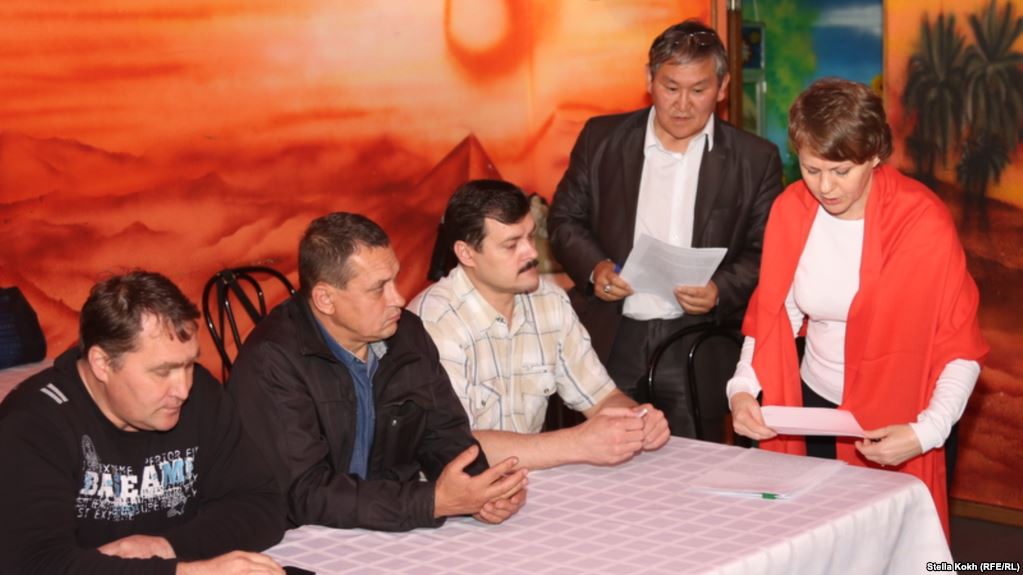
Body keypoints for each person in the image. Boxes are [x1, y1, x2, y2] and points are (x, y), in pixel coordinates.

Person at [727, 78, 988, 534]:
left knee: (889, 547)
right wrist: (743, 387)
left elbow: (958, 346)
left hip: (905, 417)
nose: (825, 186)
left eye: (841, 171)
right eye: (811, 169)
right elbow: (774, 314)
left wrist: (928, 431)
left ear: (875, 156)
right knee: (816, 540)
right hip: (816, 407)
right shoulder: (792, 209)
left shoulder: (921, 221)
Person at [548, 19, 783, 440]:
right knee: (601, 455)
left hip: (696, 340)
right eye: (671, 88)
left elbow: (766, 250)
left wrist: (720, 289)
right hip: (611, 333)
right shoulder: (602, 139)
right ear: (649, 80)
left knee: (697, 463)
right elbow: (564, 219)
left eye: (699, 90)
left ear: (723, 87)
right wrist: (596, 268)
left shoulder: (754, 159)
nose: (682, 105)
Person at [229, 212, 527, 532]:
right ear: (325, 299)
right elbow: (305, 492)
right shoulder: (273, 361)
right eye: (378, 288)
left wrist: (481, 490)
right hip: (296, 537)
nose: (398, 298)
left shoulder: (406, 334)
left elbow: (443, 433)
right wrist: (431, 502)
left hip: (388, 523)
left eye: (395, 279)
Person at [0, 271, 287, 575]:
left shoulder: (201, 396)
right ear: (102, 364)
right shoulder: (33, 424)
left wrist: (165, 547)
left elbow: (262, 504)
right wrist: (188, 572)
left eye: (189, 364)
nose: (183, 389)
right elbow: (33, 563)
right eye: (162, 372)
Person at [409, 180, 670, 470]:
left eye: (531, 237)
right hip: (455, 491)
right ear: (466, 253)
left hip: (532, 479)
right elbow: (457, 446)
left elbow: (602, 397)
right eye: (511, 245)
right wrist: (578, 443)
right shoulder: (434, 321)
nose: (532, 253)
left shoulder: (549, 300)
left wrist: (638, 419)